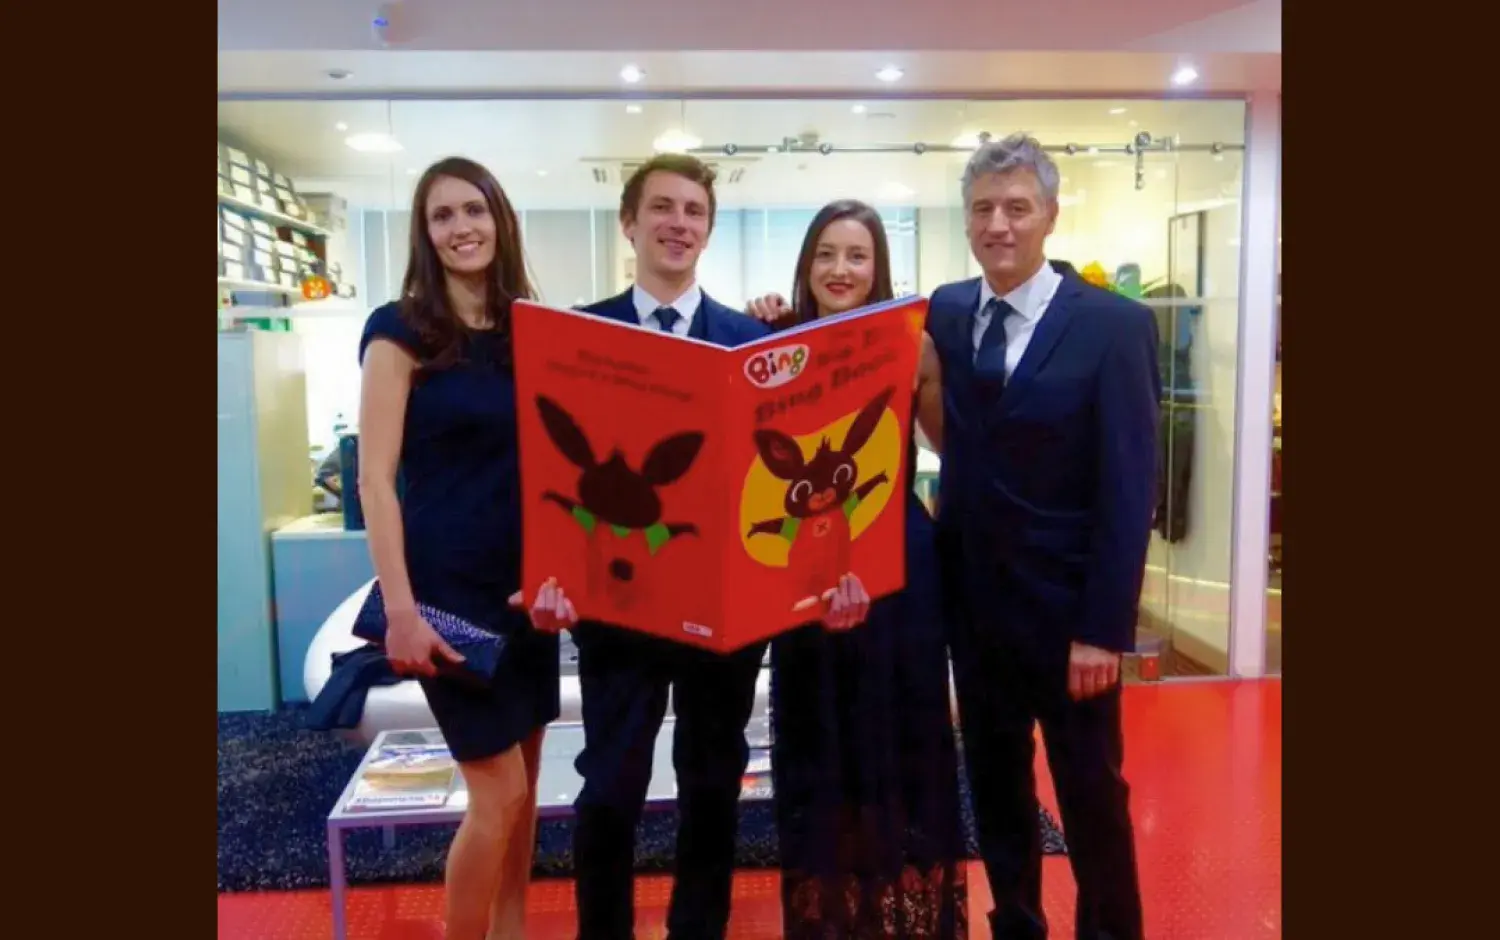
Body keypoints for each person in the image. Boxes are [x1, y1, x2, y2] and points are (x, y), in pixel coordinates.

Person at [519, 154, 870, 940]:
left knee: (712, 786)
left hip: (726, 618)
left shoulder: (751, 344)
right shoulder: (578, 336)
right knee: (609, 788)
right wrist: (547, 576)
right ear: (630, 222)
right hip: (619, 612)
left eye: (694, 212)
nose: (679, 223)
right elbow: (548, 466)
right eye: (663, 208)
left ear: (709, 229)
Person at [928, 134, 1160, 939]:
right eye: (984, 208)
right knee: (995, 790)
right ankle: (1017, 925)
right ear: (966, 219)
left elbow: (1130, 489)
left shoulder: (1114, 327)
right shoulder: (947, 312)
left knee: (1092, 796)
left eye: (1017, 207)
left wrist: (1104, 631)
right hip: (977, 616)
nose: (999, 224)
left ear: (1050, 216)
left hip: (1070, 626)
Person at [742, 199, 967, 938]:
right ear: (806, 266)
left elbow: (956, 455)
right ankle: (831, 922)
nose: (842, 270)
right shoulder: (772, 345)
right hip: (805, 580)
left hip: (899, 572)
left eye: (857, 255)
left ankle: (905, 922)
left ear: (880, 268)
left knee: (899, 750)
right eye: (827, 255)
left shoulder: (915, 348)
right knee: (819, 755)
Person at [357, 156, 560, 940]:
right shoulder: (399, 329)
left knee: (526, 795)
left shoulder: (530, 327)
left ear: (499, 219)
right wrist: (400, 612)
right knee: (498, 793)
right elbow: (376, 482)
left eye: (473, 210)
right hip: (445, 596)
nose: (460, 228)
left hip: (523, 594)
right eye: (442, 216)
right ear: (425, 233)